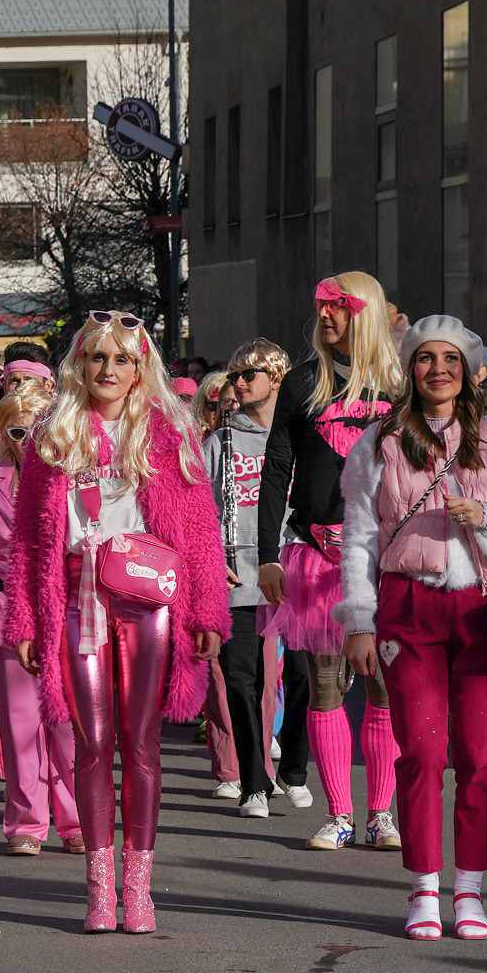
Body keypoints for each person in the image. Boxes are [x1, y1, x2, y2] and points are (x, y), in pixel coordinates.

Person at [3, 311, 228, 934]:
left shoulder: (167, 431)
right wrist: (21, 618)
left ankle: (141, 888)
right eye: (97, 358)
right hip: (76, 602)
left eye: (121, 360)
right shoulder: (54, 434)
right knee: (92, 744)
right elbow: (27, 537)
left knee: (143, 745)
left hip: (147, 601)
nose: (108, 370)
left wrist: (208, 608)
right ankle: (100, 891)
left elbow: (201, 530)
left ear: (140, 369)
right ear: (80, 363)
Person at [336, 315, 487, 941]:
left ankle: (469, 889)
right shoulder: (380, 441)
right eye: (427, 359)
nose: (439, 369)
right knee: (421, 752)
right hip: (407, 609)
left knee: (481, 755)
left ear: (470, 369)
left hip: (482, 611)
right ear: (410, 368)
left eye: (451, 358)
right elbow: (360, 539)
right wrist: (359, 621)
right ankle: (424, 886)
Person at [256, 273, 405, 851]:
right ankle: (339, 813)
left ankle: (381, 814)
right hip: (314, 549)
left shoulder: (400, 384)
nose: (324, 318)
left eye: (336, 309)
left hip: (387, 554)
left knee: (383, 684)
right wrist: (266, 554)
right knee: (323, 683)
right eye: (320, 308)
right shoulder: (301, 384)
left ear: (361, 315)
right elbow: (274, 471)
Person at [0, 379, 81, 856]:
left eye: (38, 432)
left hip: (66, 613)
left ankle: (76, 819)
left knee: (69, 725)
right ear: (0, 434)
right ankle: (27, 823)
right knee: (18, 726)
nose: (27, 442)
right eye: (16, 433)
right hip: (7, 613)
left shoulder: (71, 479)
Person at [205, 338, 289, 816]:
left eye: (249, 374)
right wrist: (214, 561)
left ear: (276, 379)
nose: (238, 383)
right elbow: (204, 510)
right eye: (235, 375)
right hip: (239, 576)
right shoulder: (220, 442)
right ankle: (253, 782)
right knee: (241, 678)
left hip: (293, 573)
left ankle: (292, 768)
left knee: (299, 680)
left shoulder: (292, 436)